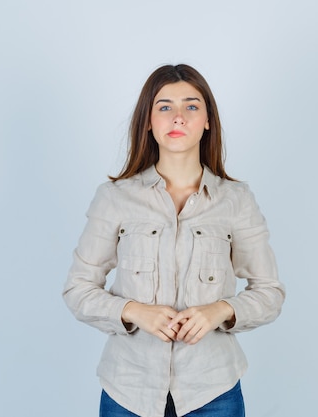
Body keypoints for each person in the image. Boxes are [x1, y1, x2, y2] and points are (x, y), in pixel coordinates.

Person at [63, 64, 285, 417]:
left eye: (191, 106)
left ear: (208, 120)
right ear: (148, 121)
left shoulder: (236, 200)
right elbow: (78, 289)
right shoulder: (114, 197)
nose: (178, 117)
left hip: (214, 391)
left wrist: (221, 311)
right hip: (128, 389)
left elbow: (270, 292)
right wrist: (133, 312)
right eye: (165, 106)